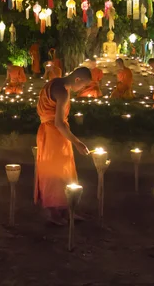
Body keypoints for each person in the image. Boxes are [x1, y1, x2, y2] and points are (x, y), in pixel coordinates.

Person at [35, 69, 92, 225]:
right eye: (83, 85)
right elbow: (59, 123)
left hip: (48, 132)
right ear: (78, 79)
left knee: (63, 171)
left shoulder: (54, 83)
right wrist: (77, 142)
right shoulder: (63, 93)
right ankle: (54, 212)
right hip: (55, 135)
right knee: (56, 173)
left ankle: (67, 209)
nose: (81, 89)